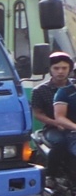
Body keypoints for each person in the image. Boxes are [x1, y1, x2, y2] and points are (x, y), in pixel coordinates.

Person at [32, 52, 73, 188]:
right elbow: (38, 114)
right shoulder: (39, 90)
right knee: (60, 143)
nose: (60, 71)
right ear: (50, 69)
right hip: (53, 129)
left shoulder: (73, 88)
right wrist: (56, 123)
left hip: (72, 127)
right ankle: (51, 175)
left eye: (64, 68)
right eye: (56, 68)